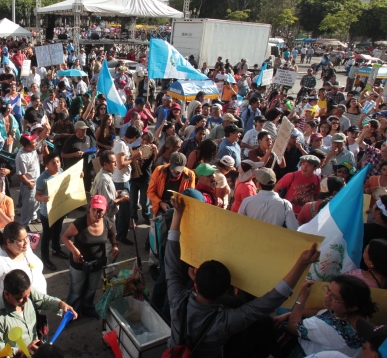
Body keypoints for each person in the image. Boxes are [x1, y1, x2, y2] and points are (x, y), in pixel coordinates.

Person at [165, 194, 320, 355]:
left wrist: (178, 213)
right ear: (227, 291)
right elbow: (269, 302)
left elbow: (171, 263)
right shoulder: (226, 321)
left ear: (195, 282)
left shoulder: (177, 299)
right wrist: (301, 263)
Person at [0, 269, 77, 356]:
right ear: (7, 294)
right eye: (20, 298)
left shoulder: (25, 292)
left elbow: (43, 300)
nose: (27, 300)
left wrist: (60, 304)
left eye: (28, 295)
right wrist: (21, 351)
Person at [284, 275, 377, 357]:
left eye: (335, 297)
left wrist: (302, 297)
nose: (327, 296)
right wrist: (289, 314)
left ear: (352, 307)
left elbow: (292, 327)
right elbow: (325, 312)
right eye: (328, 290)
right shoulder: (363, 316)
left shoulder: (327, 326)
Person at [62, 195, 118, 318]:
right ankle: (71, 314)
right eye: (94, 210)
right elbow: (65, 237)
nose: (96, 213)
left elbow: (111, 233)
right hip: (79, 265)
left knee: (91, 290)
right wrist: (74, 251)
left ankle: (87, 308)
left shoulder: (107, 221)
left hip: (97, 263)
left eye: (100, 210)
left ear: (105, 210)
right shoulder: (80, 223)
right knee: (76, 291)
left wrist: (114, 245)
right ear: (89, 208)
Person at [35, 153, 71, 271]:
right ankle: (45, 257)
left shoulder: (60, 171)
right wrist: (43, 199)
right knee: (47, 235)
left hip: (59, 208)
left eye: (58, 161)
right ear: (47, 165)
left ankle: (56, 249)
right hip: (47, 213)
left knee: (58, 231)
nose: (57, 165)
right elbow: (37, 196)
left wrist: (79, 176)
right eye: (53, 163)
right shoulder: (43, 179)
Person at [113, 125, 142, 245]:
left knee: (122, 209)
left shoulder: (122, 144)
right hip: (121, 181)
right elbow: (120, 164)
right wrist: (134, 157)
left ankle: (119, 232)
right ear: (134, 137)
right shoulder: (121, 144)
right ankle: (121, 235)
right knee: (124, 210)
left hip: (122, 179)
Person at [147, 152, 195, 217]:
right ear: (169, 162)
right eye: (174, 168)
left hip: (180, 210)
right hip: (161, 209)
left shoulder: (190, 174)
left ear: (185, 164)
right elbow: (150, 192)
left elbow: (191, 197)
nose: (176, 171)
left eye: (179, 169)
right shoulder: (159, 171)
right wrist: (160, 203)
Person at [16, 134, 40, 228]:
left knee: (35, 203)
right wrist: (29, 183)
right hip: (29, 185)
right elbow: (20, 174)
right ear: (27, 146)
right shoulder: (21, 157)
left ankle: (33, 217)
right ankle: (24, 225)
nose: (36, 143)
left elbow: (41, 137)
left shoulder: (33, 149)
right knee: (27, 206)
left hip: (37, 181)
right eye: (34, 143)